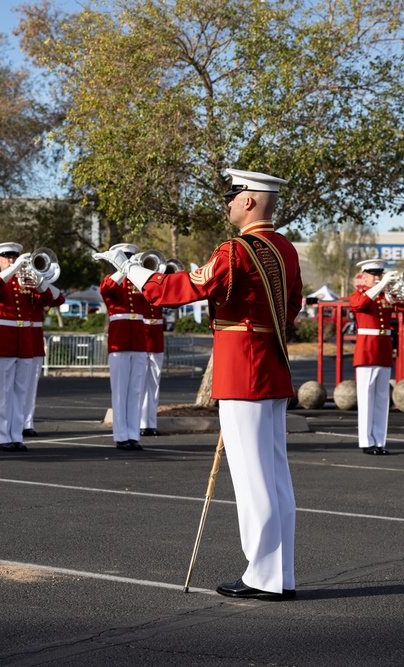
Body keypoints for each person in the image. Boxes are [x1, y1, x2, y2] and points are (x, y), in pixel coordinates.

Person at [94, 168, 301, 601]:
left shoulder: (236, 249)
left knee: (252, 477)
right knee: (276, 475)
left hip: (242, 368)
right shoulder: (284, 249)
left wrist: (133, 272)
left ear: (248, 201)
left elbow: (187, 287)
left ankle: (263, 576)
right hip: (272, 365)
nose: (227, 203)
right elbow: (292, 305)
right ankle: (280, 573)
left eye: (232, 196)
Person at [0, 242, 58, 451]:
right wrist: (14, 269)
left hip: (24, 341)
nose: (12, 260)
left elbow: (50, 298)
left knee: (20, 392)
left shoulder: (26, 283)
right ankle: (4, 437)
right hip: (5, 339)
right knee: (4, 392)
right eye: (7, 257)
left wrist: (38, 279)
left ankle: (17, 435)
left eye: (14, 257)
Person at [348, 258, 404, 455]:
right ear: (364, 276)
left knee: (381, 398)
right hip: (366, 351)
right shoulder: (359, 295)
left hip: (384, 349)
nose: (378, 278)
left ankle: (379, 441)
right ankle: (366, 441)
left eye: (380, 274)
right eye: (374, 275)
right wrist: (382, 286)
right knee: (366, 398)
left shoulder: (385, 297)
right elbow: (360, 305)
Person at [98, 243, 149, 451]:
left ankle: (133, 435)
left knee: (136, 390)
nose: (128, 260)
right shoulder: (111, 280)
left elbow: (154, 298)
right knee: (120, 391)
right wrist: (123, 268)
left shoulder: (138, 282)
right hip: (119, 340)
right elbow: (106, 290)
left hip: (138, 339)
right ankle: (121, 436)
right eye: (124, 257)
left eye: (130, 258)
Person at [21, 258, 64, 438]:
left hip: (35, 341)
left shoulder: (38, 288)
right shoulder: (17, 286)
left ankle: (28, 422)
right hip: (20, 339)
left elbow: (59, 298)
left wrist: (41, 281)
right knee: (18, 386)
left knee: (31, 386)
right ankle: (16, 422)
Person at [139, 275, 166, 437]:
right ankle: (141, 423)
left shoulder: (159, 286)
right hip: (142, 337)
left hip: (156, 339)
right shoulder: (137, 288)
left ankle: (151, 423)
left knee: (154, 384)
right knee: (141, 384)